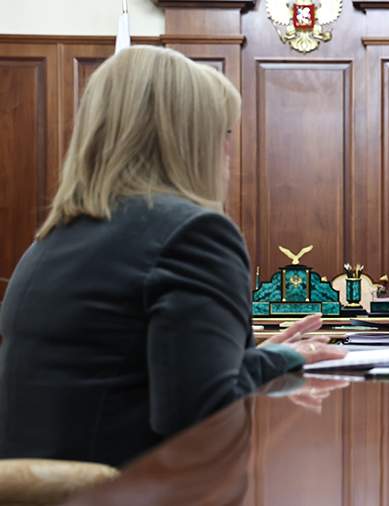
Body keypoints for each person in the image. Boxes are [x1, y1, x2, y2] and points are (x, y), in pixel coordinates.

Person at [0, 46, 345, 467]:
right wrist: (284, 358)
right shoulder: (193, 234)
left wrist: (246, 361)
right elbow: (202, 419)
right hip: (133, 488)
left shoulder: (52, 239)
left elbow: (137, 378)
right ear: (190, 141)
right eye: (223, 132)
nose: (228, 149)